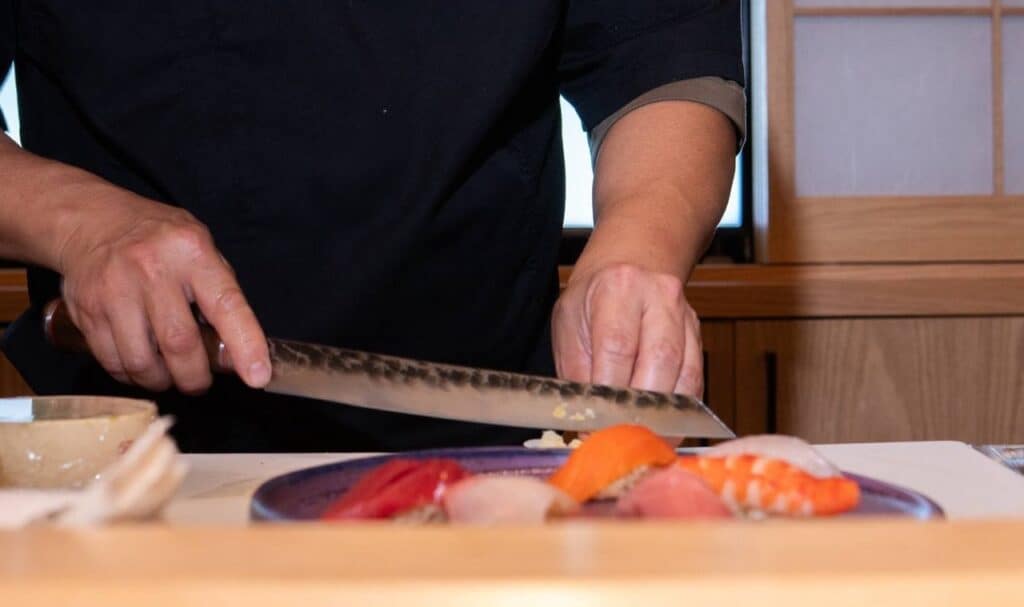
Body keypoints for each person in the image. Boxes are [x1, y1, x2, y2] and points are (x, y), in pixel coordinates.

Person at [0, 2, 745, 452]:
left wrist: (636, 250)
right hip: (130, 446)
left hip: (493, 435)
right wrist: (81, 224)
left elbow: (660, 55)